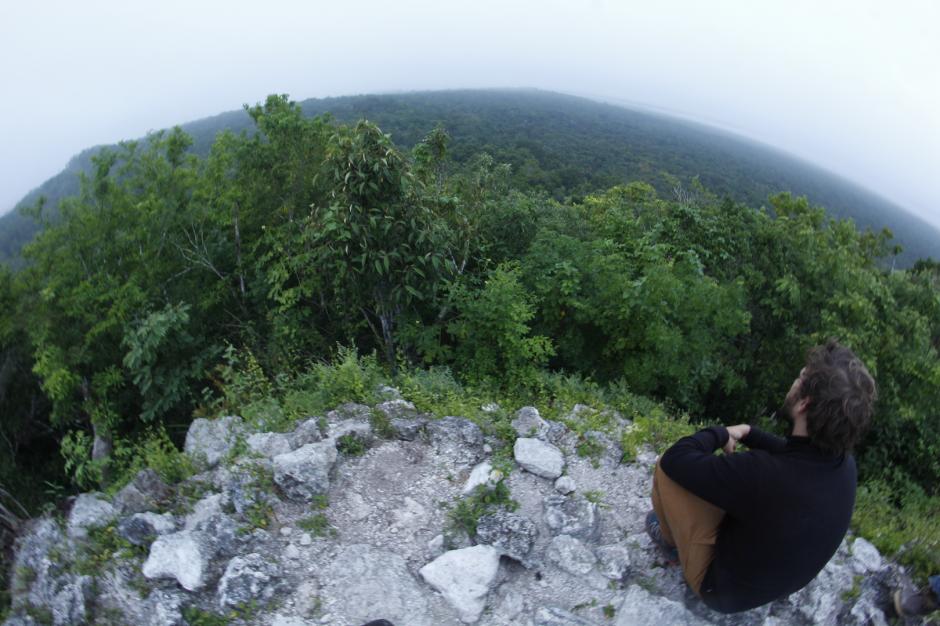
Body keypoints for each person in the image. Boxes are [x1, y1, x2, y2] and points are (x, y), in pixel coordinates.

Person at [646, 340, 876, 613]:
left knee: (666, 472)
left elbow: (677, 459)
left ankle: (673, 545)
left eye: (801, 377)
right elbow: (793, 454)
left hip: (720, 591)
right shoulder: (844, 465)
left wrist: (719, 433)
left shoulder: (764, 474)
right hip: (773, 581)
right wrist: (749, 433)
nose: (796, 378)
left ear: (804, 403)